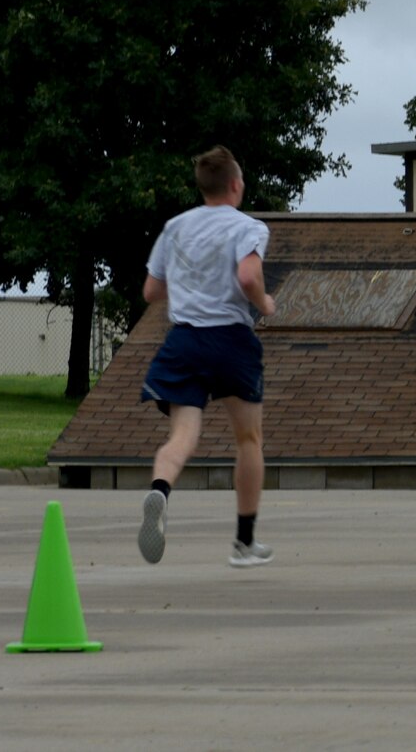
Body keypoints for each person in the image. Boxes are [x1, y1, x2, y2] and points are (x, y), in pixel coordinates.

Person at [136, 146, 277, 568]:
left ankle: (160, 491)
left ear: (202, 187)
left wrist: (185, 285)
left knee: (182, 436)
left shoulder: (175, 227)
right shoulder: (247, 226)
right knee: (248, 439)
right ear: (235, 185)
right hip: (230, 338)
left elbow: (151, 292)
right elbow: (248, 275)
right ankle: (244, 543)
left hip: (183, 341)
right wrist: (264, 304)